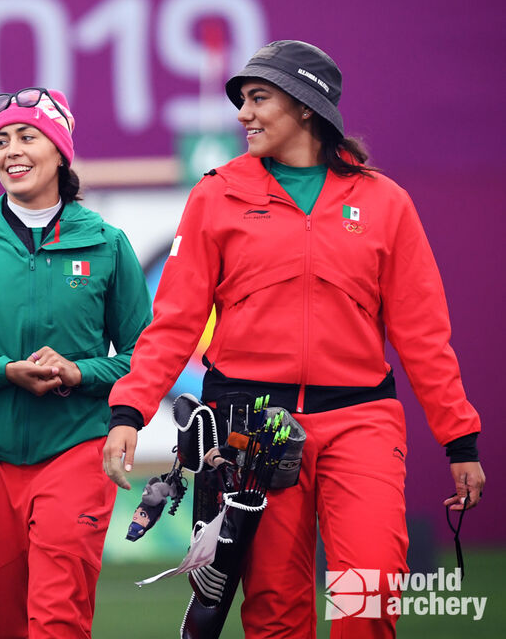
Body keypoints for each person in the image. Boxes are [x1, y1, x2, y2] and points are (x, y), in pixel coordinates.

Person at [102, 40, 485, 638]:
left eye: (259, 98)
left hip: (360, 420)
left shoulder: (385, 203)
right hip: (252, 429)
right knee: (276, 611)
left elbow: (423, 332)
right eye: (242, 101)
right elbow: (173, 321)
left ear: (307, 107)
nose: (243, 114)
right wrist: (130, 408)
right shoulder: (216, 194)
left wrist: (458, 438)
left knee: (371, 592)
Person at [0, 88, 152, 638]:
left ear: (61, 151)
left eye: (27, 136)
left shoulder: (107, 243)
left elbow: (145, 357)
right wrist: (2, 371)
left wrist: (80, 372)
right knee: (0, 625)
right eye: (0, 141)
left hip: (76, 451)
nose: (10, 151)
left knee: (57, 618)